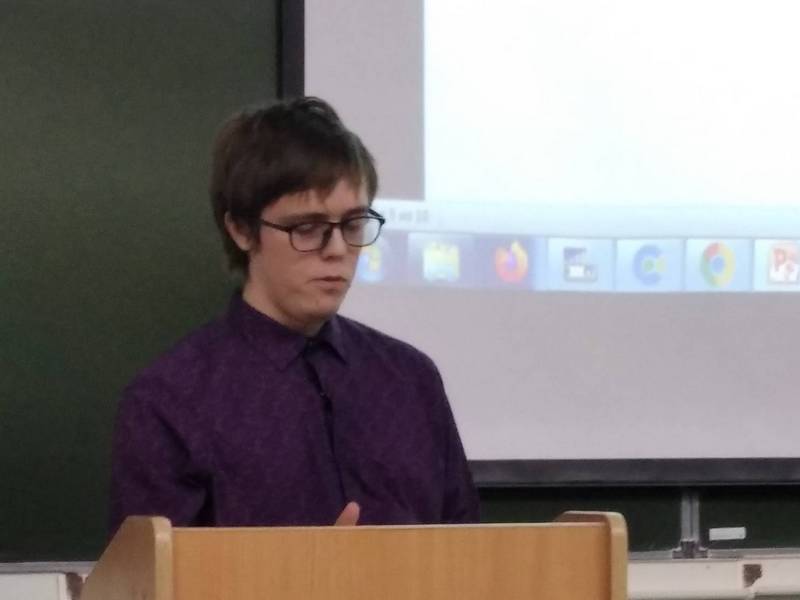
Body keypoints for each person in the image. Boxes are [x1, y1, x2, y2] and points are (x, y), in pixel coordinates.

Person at [109, 97, 479, 535]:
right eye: (307, 228)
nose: (337, 249)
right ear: (241, 229)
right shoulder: (169, 402)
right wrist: (311, 570)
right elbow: (157, 571)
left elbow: (469, 548)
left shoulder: (411, 380)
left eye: (353, 224)